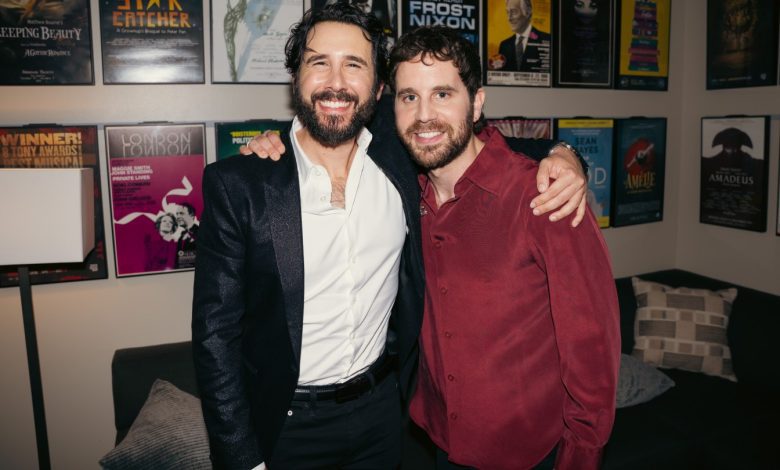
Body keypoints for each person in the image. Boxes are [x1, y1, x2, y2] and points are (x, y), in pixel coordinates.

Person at [193, 4, 587, 469]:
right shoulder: (240, 184)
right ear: (296, 78)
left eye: (354, 65)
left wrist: (564, 153)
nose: (336, 82)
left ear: (377, 88)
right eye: (319, 62)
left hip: (381, 416)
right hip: (284, 425)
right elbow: (215, 337)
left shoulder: (400, 160)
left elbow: (481, 143)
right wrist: (242, 458)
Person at [389, 26, 620, 469]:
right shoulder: (405, 194)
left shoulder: (544, 196)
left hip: (531, 453)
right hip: (439, 440)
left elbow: (592, 351)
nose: (423, 115)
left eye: (442, 94)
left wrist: (580, 458)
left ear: (476, 102)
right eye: (408, 97)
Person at [494, 0, 550, 72]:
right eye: (507, 12)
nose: (509, 18)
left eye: (514, 12)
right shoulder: (504, 45)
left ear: (528, 12)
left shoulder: (547, 40)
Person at [174, 202, 198, 268]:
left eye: (181, 213)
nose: (178, 216)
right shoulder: (181, 237)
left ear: (192, 215)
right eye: (177, 214)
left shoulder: (201, 233)